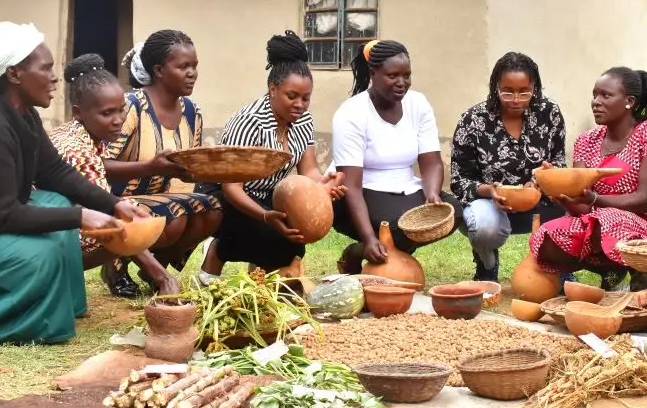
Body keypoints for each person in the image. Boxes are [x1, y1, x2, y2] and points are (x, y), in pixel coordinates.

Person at [0, 23, 141, 344]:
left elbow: (54, 172)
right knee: (42, 252)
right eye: (46, 67)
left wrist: (113, 204)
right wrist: (81, 217)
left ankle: (69, 307)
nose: (55, 76)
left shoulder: (24, 115)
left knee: (57, 204)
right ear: (14, 74)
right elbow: (4, 215)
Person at [197, 32, 346, 281]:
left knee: (293, 242)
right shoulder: (249, 121)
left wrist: (323, 185)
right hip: (224, 194)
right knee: (269, 233)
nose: (300, 104)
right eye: (292, 96)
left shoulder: (304, 121)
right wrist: (265, 216)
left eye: (306, 98)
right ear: (273, 89)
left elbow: (308, 170)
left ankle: (256, 272)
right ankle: (216, 251)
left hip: (263, 193)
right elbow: (232, 186)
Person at [529, 67, 647, 290]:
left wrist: (594, 200)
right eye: (594, 95)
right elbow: (582, 205)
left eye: (606, 95)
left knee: (608, 218)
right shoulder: (586, 141)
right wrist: (558, 187)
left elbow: (645, 199)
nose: (596, 102)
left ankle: (641, 276)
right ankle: (610, 269)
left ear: (629, 101)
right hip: (598, 223)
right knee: (547, 236)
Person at [50, 54, 181, 298]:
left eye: (121, 110)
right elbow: (109, 213)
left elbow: (100, 170)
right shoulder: (78, 151)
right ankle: (65, 273)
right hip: (51, 237)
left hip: (53, 225)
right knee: (130, 219)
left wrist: (151, 167)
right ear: (78, 112)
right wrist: (163, 277)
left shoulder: (76, 132)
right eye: (107, 113)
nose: (118, 120)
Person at [330, 39, 462, 273]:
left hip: (406, 186)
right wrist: (370, 237)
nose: (402, 83)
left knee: (453, 211)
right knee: (394, 227)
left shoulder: (418, 104)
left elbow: (431, 162)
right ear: (373, 73)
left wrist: (431, 193)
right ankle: (362, 249)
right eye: (393, 76)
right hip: (360, 192)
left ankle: (377, 252)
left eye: (407, 75)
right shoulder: (351, 113)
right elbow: (350, 185)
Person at [105, 30, 222, 290]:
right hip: (116, 200)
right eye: (183, 67)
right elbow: (98, 166)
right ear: (159, 70)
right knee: (175, 216)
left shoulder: (192, 112)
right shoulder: (131, 107)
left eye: (194, 66)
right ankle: (115, 262)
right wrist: (150, 167)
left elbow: (188, 170)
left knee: (212, 209)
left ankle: (157, 266)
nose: (192, 73)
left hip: (162, 198)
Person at [451, 52, 567, 281]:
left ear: (535, 86)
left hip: (538, 202)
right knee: (483, 226)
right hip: (490, 205)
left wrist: (542, 180)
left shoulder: (549, 114)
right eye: (507, 91)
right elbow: (459, 180)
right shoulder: (474, 119)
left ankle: (558, 269)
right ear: (496, 86)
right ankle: (487, 263)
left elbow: (559, 164)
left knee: (573, 210)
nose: (516, 99)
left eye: (524, 91)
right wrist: (490, 191)